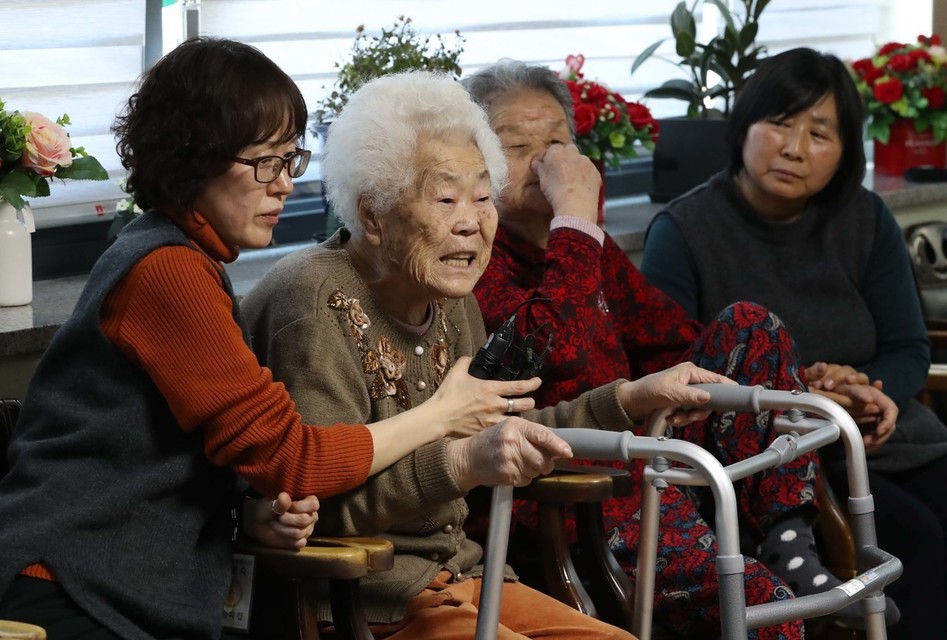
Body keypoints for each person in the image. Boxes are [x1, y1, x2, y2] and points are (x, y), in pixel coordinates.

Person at [0, 38, 552, 640]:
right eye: (265, 162)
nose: (284, 184)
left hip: (130, 589)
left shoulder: (190, 262)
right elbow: (294, 459)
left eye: (291, 159)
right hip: (69, 588)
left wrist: (254, 513)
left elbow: (203, 458)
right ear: (195, 159)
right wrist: (444, 415)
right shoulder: (167, 272)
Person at [240, 70, 734, 640]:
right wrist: (459, 463)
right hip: (361, 602)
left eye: (482, 196)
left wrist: (629, 399)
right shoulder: (314, 303)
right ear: (373, 214)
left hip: (464, 577)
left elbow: (503, 433)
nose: (472, 223)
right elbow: (313, 506)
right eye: (446, 198)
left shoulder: (450, 296)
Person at [462, 58, 900, 638]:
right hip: (575, 486)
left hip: (648, 455)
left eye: (559, 143)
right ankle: (774, 577)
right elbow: (554, 351)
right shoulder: (476, 258)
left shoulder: (588, 248)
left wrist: (791, 383)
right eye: (518, 146)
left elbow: (672, 343)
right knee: (765, 611)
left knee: (751, 324)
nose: (547, 161)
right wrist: (574, 217)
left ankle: (791, 545)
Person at [641, 47, 947, 640]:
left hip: (876, 433)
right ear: (743, 126)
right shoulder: (684, 231)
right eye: (780, 123)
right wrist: (804, 396)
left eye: (820, 132)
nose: (794, 148)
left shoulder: (865, 218)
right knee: (913, 535)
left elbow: (907, 345)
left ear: (845, 152)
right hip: (774, 455)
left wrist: (867, 391)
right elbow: (671, 373)